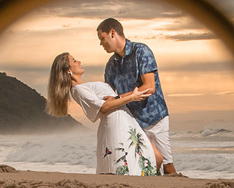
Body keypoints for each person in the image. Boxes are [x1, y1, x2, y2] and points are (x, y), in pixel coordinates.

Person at [46, 52, 160, 176]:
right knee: (134, 164)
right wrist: (131, 97)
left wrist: (122, 96)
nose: (79, 62)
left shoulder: (83, 86)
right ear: (68, 70)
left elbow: (110, 99)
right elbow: (103, 107)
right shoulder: (77, 90)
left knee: (155, 158)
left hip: (125, 119)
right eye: (74, 61)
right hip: (116, 123)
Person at [96, 18, 181, 175]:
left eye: (102, 38)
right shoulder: (111, 65)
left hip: (155, 118)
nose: (101, 43)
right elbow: (108, 95)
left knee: (166, 164)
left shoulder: (141, 51)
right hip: (132, 122)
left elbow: (149, 88)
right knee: (144, 166)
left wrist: (119, 97)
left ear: (112, 33)